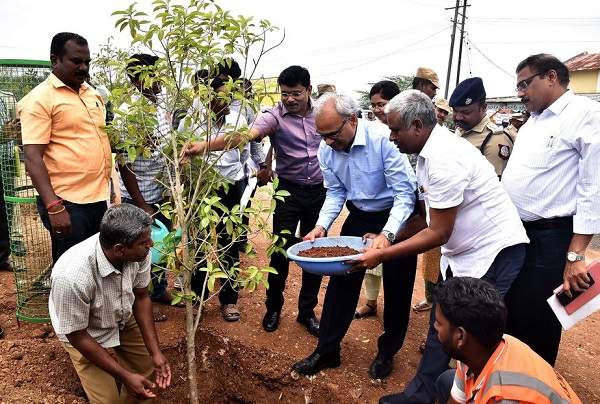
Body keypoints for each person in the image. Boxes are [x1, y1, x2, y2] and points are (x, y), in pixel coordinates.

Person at [346, 89, 529, 404]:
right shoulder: (428, 153)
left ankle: (472, 397)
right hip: (463, 254)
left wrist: (381, 255)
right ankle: (421, 394)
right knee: (442, 324)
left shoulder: (445, 157)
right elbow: (424, 221)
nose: (391, 137)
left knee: (470, 337)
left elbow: (438, 233)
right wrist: (385, 236)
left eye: (395, 130)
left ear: (417, 126)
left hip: (492, 254)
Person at [182, 65, 325, 337]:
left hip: (320, 191)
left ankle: (307, 311)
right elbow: (246, 136)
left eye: (296, 93)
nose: (290, 99)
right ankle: (274, 308)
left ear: (308, 89)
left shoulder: (324, 113)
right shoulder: (274, 116)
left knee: (314, 250)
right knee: (280, 249)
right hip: (288, 192)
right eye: (284, 94)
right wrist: (204, 146)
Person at [291, 93, 418, 380]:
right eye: (321, 136)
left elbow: (404, 195)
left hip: (397, 219)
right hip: (359, 216)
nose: (327, 142)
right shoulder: (327, 148)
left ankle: (387, 351)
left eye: (332, 135)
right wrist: (322, 226)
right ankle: (327, 350)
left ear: (352, 119)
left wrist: (388, 235)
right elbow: (336, 192)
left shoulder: (383, 140)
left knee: (398, 286)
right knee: (342, 282)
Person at [502, 53, 600, 366]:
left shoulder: (587, 114)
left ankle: (533, 387)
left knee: (537, 321)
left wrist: (575, 255)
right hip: (515, 234)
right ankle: (506, 383)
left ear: (552, 77)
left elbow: (592, 188)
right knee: (508, 312)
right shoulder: (534, 120)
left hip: (550, 239)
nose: (520, 93)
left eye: (525, 84)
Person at [49, 204, 171, 403]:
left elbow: (140, 297)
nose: (151, 244)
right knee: (108, 401)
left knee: (147, 368)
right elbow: (77, 335)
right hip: (83, 329)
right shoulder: (71, 277)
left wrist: (156, 353)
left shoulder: (140, 252)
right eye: (144, 241)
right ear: (120, 249)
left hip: (122, 312)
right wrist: (124, 376)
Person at [18, 32, 112, 263]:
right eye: (76, 61)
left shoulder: (91, 94)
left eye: (87, 62)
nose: (83, 68)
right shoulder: (40, 99)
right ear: (55, 60)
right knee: (71, 268)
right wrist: (54, 207)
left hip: (98, 197)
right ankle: (63, 301)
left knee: (96, 262)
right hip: (67, 201)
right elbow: (32, 157)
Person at [434, 277, 581, 404]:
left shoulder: (505, 397)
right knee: (447, 380)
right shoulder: (480, 349)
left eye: (439, 323)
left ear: (460, 336)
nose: (435, 326)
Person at [116, 53, 184, 320]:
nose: (157, 81)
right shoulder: (129, 113)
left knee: (159, 246)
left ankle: (159, 291)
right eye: (150, 75)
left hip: (161, 193)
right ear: (135, 79)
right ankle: (138, 300)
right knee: (137, 251)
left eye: (158, 75)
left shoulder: (161, 103)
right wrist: (142, 204)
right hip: (138, 196)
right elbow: (124, 162)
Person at [179, 73, 249, 322]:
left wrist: (239, 180)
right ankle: (197, 300)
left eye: (229, 96)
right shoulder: (191, 122)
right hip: (202, 189)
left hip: (230, 187)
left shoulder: (239, 119)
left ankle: (229, 301)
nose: (228, 102)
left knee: (228, 245)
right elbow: (183, 156)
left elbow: (243, 152)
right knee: (197, 244)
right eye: (221, 97)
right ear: (207, 97)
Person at [354, 80, 401, 320]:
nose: (377, 110)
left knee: (392, 266)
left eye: (381, 104)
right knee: (370, 261)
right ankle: (370, 303)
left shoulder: (404, 135)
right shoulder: (369, 134)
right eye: (373, 105)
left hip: (398, 210)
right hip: (371, 211)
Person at [449, 77, 514, 179]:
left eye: (466, 112)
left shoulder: (495, 140)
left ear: (483, 108)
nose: (458, 117)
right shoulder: (461, 130)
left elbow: (493, 188)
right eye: (455, 111)